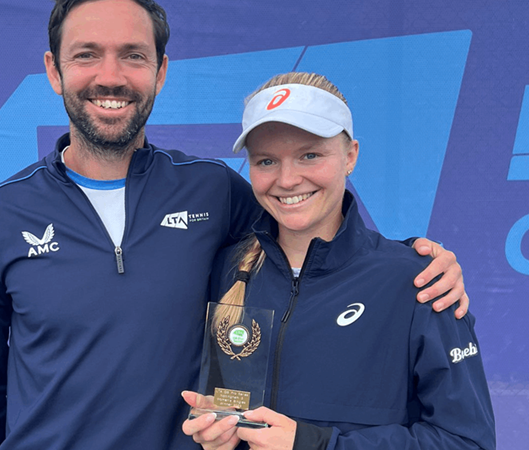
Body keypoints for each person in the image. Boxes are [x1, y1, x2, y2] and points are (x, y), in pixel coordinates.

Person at [0, 1, 470, 448]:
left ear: (160, 72)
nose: (110, 76)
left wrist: (418, 260)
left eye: (133, 56)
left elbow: (310, 229)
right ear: (54, 70)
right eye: (86, 55)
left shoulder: (213, 190)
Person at [182, 73, 495, 450]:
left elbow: (467, 442)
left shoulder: (419, 280)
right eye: (266, 160)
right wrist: (218, 435)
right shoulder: (227, 271)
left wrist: (318, 445)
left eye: (309, 155)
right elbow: (228, 407)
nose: (287, 179)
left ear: (350, 156)